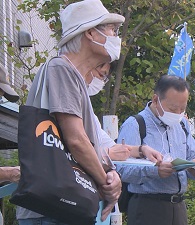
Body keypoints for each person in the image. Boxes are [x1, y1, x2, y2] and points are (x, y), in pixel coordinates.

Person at [16, 0, 125, 224]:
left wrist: (110, 173)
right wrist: (107, 184)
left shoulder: (72, 76)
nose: (116, 37)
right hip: (53, 209)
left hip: (59, 204)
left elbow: (84, 143)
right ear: (90, 34)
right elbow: (76, 140)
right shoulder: (62, 68)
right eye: (112, 30)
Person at [116, 75, 195, 225]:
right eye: (172, 108)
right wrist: (154, 171)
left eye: (182, 109)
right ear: (156, 100)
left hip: (178, 206)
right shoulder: (135, 124)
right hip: (147, 206)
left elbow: (193, 156)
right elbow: (121, 170)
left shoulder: (182, 124)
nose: (178, 114)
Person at [88, 63, 163, 162]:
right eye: (101, 75)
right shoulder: (134, 124)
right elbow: (76, 147)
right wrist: (107, 153)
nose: (101, 82)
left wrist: (143, 150)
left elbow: (114, 147)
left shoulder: (89, 110)